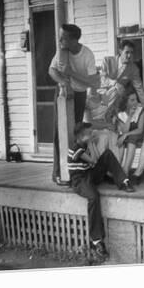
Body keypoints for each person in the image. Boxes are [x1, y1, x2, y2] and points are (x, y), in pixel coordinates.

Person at [68, 122, 135, 259]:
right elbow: (92, 160)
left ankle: (124, 181)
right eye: (89, 134)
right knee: (93, 197)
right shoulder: (76, 148)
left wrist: (91, 144)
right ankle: (96, 240)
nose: (92, 135)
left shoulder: (85, 144)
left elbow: (96, 161)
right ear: (81, 137)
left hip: (89, 174)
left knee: (108, 154)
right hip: (79, 180)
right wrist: (91, 144)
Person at [48, 24, 100, 185]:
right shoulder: (62, 51)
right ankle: (57, 172)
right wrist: (64, 82)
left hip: (79, 95)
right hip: (64, 94)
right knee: (60, 131)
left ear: (73, 40)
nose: (59, 40)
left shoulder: (87, 55)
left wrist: (72, 73)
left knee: (75, 132)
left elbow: (93, 82)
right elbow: (52, 70)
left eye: (63, 38)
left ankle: (73, 169)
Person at [100, 40, 144, 109]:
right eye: (127, 52)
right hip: (101, 94)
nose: (129, 55)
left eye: (131, 53)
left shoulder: (133, 69)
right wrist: (115, 83)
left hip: (117, 98)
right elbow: (102, 79)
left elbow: (139, 89)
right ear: (120, 51)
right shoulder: (107, 61)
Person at [115, 87, 144, 174]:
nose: (135, 102)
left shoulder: (140, 110)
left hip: (137, 135)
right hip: (128, 134)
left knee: (131, 139)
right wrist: (129, 117)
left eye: (136, 99)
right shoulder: (121, 114)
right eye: (132, 100)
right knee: (120, 141)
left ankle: (126, 169)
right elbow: (124, 131)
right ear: (126, 102)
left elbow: (140, 129)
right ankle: (117, 170)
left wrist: (126, 135)